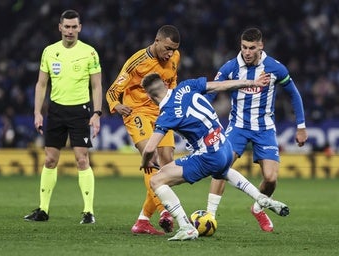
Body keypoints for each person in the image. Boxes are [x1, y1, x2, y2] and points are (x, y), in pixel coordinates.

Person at [140, 72, 289, 241]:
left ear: (150, 96)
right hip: (225, 146)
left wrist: (145, 162)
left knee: (156, 180)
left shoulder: (167, 114)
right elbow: (222, 85)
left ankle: (185, 227)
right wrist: (252, 82)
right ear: (165, 85)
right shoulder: (186, 85)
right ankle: (260, 197)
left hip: (209, 155)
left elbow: (150, 148)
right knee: (222, 170)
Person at [206, 27, 308, 232]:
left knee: (271, 179)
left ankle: (258, 207)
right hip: (238, 127)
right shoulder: (230, 67)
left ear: (261, 46)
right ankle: (209, 216)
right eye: (244, 47)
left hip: (265, 129)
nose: (247, 52)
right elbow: (211, 92)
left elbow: (294, 95)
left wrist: (301, 126)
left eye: (252, 47)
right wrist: (204, 119)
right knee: (220, 165)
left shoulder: (275, 68)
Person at [24, 10, 102, 224]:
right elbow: (41, 84)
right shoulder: (49, 52)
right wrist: (37, 112)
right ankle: (43, 210)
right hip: (56, 110)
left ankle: (88, 212)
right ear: (60, 27)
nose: (70, 31)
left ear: (80, 28)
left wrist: (96, 112)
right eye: (66, 26)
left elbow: (96, 85)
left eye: (73, 26)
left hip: (80, 111)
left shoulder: (90, 53)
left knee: (82, 159)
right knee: (49, 160)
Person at [106, 25, 180, 235]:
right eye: (167, 48)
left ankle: (143, 221)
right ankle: (165, 209)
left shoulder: (175, 58)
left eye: (174, 49)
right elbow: (113, 90)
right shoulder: (137, 62)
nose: (170, 53)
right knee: (151, 156)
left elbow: (172, 82)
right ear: (156, 41)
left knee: (168, 162)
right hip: (136, 111)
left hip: (161, 113)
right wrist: (116, 105)